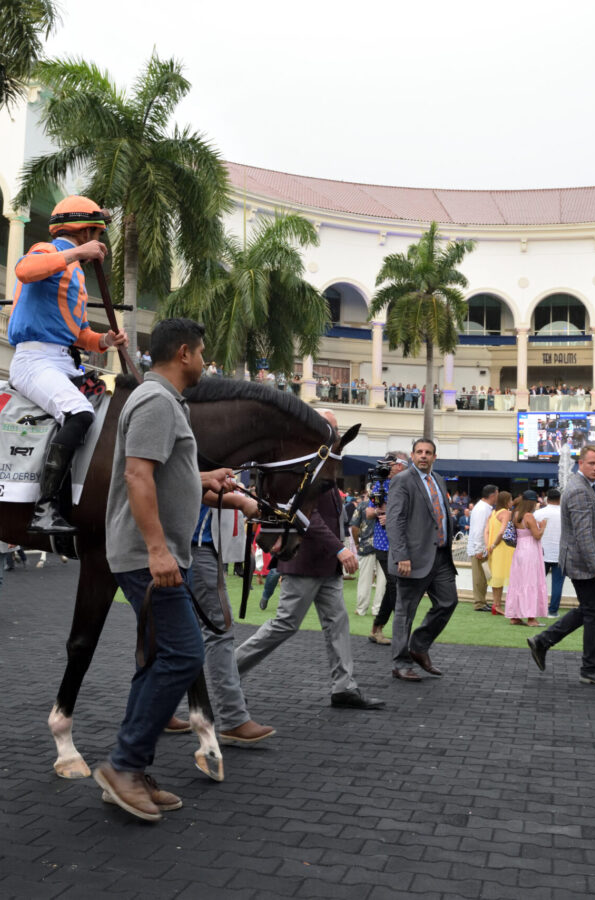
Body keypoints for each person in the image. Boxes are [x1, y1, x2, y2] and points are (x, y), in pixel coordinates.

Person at [96, 317, 236, 822]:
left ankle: (131, 767)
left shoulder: (163, 400)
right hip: (147, 557)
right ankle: (124, 764)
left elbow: (159, 469)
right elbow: (137, 474)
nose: (205, 361)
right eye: (202, 353)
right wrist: (158, 550)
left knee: (159, 658)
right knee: (183, 655)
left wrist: (202, 477)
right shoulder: (156, 401)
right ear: (183, 353)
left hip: (150, 553)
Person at [236, 410, 385, 710]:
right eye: (327, 429)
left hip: (324, 564)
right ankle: (227, 671)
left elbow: (330, 518)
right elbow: (309, 516)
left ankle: (344, 687)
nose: (333, 435)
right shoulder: (302, 467)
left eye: (333, 430)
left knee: (338, 623)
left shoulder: (321, 466)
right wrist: (339, 549)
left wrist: (339, 549)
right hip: (304, 559)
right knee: (285, 624)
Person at [6, 195, 128, 535]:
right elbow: (23, 271)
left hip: (62, 361)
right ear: (85, 230)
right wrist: (76, 253)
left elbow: (77, 334)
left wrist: (105, 341)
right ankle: (43, 509)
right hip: (34, 360)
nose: (100, 244)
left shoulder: (73, 272)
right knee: (80, 413)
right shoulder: (46, 251)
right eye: (98, 234)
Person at [527, 444, 595, 686]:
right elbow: (583, 533)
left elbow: (591, 524)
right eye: (592, 463)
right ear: (580, 463)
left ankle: (544, 641)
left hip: (582, 560)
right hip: (583, 562)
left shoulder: (585, 487)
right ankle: (590, 668)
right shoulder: (579, 490)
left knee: (590, 610)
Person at [172, 500, 276, 744]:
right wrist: (239, 500)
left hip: (201, 544)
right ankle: (233, 718)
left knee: (175, 631)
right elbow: (192, 481)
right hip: (199, 544)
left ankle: (157, 708)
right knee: (219, 629)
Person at [386, 437, 460, 682]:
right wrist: (401, 555)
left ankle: (418, 646)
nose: (424, 456)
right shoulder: (402, 480)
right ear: (412, 455)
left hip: (440, 556)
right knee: (405, 612)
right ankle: (400, 663)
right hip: (412, 558)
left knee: (448, 602)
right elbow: (395, 521)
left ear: (434, 457)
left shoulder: (438, 480)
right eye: (419, 452)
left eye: (428, 452)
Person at [366, 452, 409, 645]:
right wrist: (378, 512)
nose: (386, 468)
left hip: (402, 544)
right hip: (384, 545)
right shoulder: (380, 484)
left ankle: (377, 628)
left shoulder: (408, 484)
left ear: (400, 465)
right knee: (395, 587)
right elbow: (367, 512)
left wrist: (390, 517)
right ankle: (385, 630)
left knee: (394, 588)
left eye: (390, 464)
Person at [503, 491, 547, 627]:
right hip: (531, 551)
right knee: (531, 581)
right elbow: (537, 535)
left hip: (520, 550)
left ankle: (515, 616)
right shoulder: (529, 516)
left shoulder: (515, 514)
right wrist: (543, 526)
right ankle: (531, 618)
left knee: (518, 581)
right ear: (532, 502)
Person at [350, 498, 384, 617]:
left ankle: (361, 609)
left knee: (364, 579)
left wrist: (357, 543)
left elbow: (354, 527)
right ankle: (378, 609)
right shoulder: (387, 504)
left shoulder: (362, 505)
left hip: (366, 545)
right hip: (384, 545)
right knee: (382, 580)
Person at [466, 484, 498, 612]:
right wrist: (479, 549)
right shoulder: (482, 509)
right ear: (492, 495)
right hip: (479, 548)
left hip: (481, 548)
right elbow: (479, 530)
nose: (497, 496)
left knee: (484, 576)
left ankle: (482, 601)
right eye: (497, 493)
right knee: (480, 577)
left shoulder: (483, 507)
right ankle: (479, 602)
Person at [535, 488, 564, 618]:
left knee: (538, 581)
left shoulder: (538, 513)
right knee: (557, 583)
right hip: (560, 553)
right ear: (559, 499)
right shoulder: (565, 513)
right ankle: (553, 610)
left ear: (547, 499)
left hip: (542, 551)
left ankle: (535, 607)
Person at [483, 491, 514, 615]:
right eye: (511, 500)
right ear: (506, 501)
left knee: (495, 577)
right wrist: (494, 545)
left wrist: (488, 546)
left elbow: (486, 531)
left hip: (492, 549)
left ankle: (496, 605)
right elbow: (502, 532)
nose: (512, 502)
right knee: (501, 577)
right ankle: (499, 605)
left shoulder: (492, 513)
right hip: (502, 549)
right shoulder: (506, 513)